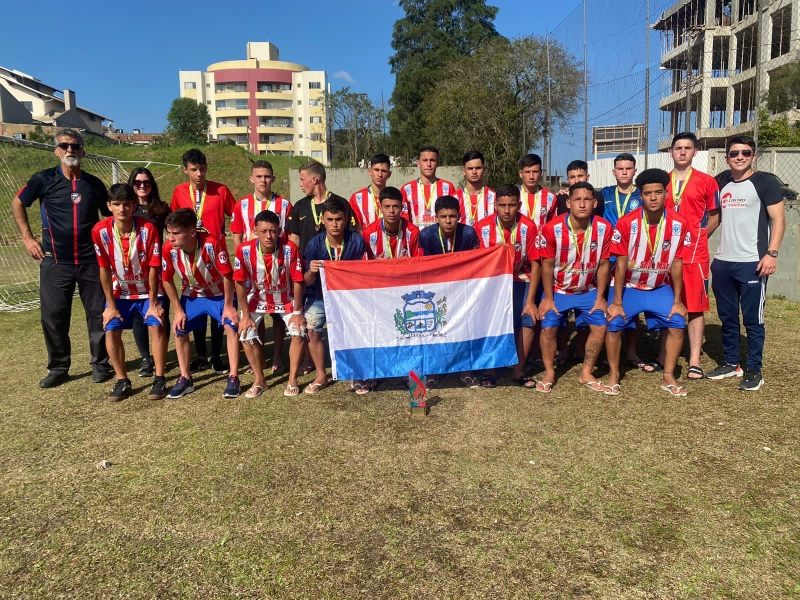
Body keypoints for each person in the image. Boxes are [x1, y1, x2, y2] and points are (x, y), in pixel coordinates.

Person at [12, 128, 112, 388]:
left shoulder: (94, 184)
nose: (70, 150)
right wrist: (28, 238)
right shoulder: (43, 179)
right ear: (57, 150)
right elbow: (18, 202)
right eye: (65, 146)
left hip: (92, 261)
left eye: (75, 146)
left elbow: (109, 215)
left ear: (83, 152)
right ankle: (58, 367)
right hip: (56, 261)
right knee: (54, 316)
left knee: (97, 314)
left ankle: (100, 364)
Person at [707, 136, 785, 391]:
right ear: (727, 156)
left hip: (752, 262)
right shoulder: (721, 182)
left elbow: (779, 220)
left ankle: (754, 369)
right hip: (723, 263)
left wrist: (771, 254)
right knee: (727, 317)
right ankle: (731, 363)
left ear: (754, 156)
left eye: (745, 152)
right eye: (734, 153)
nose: (739, 156)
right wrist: (693, 242)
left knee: (753, 320)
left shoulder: (765, 182)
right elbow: (714, 220)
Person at [605, 169, 690, 397]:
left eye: (658, 192)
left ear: (666, 193)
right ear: (640, 196)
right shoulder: (626, 223)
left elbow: (677, 265)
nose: (653, 197)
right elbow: (620, 266)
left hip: (659, 288)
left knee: (678, 321)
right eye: (647, 193)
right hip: (630, 287)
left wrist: (678, 301)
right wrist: (617, 302)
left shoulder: (679, 223)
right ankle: (614, 374)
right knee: (613, 322)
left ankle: (668, 375)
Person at [648, 132, 720, 379]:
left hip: (694, 255)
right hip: (665, 254)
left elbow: (714, 216)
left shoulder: (707, 181)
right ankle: (662, 356)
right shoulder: (661, 182)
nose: (682, 152)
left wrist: (699, 238)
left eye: (687, 148)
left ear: (694, 152)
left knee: (695, 307)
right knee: (666, 304)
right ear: (670, 152)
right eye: (677, 148)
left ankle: (694, 360)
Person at [91, 184, 167, 402]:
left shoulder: (148, 228)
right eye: (116, 204)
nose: (122, 209)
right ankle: (122, 380)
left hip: (147, 290)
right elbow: (104, 269)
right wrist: (110, 305)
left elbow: (154, 267)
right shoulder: (100, 231)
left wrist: (153, 302)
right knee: (111, 330)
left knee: (156, 325)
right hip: (119, 291)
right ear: (109, 206)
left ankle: (159, 378)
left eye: (126, 204)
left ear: (134, 206)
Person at [536, 182, 612, 393]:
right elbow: (547, 265)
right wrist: (548, 299)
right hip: (559, 290)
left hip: (588, 291)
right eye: (577, 200)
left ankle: (586, 372)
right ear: (568, 203)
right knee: (549, 327)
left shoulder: (604, 228)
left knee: (600, 327)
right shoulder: (552, 228)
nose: (582, 204)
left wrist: (600, 297)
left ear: (595, 203)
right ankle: (550, 372)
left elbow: (605, 264)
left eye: (587, 199)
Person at [161, 209, 241, 399]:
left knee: (231, 326)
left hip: (219, 294)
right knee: (179, 328)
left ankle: (234, 376)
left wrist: (229, 306)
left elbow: (228, 276)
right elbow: (166, 280)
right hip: (193, 294)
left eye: (176, 233)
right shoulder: (168, 249)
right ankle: (185, 377)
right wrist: (178, 310)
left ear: (191, 232)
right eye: (169, 232)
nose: (171, 238)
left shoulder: (211, 244)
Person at [170, 149, 236, 376]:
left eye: (202, 169)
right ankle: (200, 356)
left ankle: (217, 357)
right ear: (185, 170)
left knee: (218, 305)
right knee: (196, 303)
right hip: (191, 255)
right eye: (194, 169)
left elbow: (235, 215)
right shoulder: (179, 192)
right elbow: (175, 220)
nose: (199, 174)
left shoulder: (220, 190)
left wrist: (231, 235)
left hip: (214, 254)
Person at [234, 210, 307, 398]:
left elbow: (298, 280)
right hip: (258, 299)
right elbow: (239, 282)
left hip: (285, 298)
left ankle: (292, 379)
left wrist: (298, 311)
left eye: (273, 231)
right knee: (245, 332)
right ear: (255, 230)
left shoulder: (290, 248)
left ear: (280, 230)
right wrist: (245, 315)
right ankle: (260, 380)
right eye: (264, 231)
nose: (269, 236)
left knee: (299, 331)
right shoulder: (243, 250)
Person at [231, 160, 292, 373]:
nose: (263, 180)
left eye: (267, 176)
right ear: (252, 179)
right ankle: (259, 358)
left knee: (277, 313)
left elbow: (291, 235)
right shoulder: (241, 205)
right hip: (252, 266)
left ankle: (277, 357)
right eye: (259, 176)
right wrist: (245, 264)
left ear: (273, 178)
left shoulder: (284, 205)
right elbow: (237, 235)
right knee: (255, 309)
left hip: (278, 264)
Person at [476, 185, 540, 389]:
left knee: (528, 319)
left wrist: (530, 301)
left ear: (519, 205)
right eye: (502, 205)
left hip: (520, 277)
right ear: (495, 205)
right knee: (490, 321)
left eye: (511, 205)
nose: (506, 210)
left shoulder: (528, 226)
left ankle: (518, 369)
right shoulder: (482, 227)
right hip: (492, 282)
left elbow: (536, 263)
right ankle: (490, 369)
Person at [302, 197, 367, 394]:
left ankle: (356, 373)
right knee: (312, 329)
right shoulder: (314, 245)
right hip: (320, 296)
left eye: (338, 219)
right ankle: (321, 374)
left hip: (349, 296)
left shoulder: (356, 241)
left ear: (345, 219)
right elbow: (306, 281)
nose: (334, 224)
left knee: (357, 330)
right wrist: (311, 271)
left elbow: (363, 275)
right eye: (330, 219)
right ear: (322, 220)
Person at [599, 153, 646, 370]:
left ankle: (631, 351)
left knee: (631, 304)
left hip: (633, 257)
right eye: (620, 168)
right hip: (608, 257)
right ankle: (606, 349)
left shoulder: (642, 194)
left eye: (628, 168)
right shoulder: (604, 194)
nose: (624, 172)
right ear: (614, 171)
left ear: (634, 171)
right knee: (608, 302)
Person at [128, 167, 171, 378]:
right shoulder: (127, 208)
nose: (142, 186)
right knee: (139, 315)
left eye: (146, 182)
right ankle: (146, 358)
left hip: (159, 268)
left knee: (162, 312)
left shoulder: (161, 208)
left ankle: (161, 354)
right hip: (134, 269)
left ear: (152, 185)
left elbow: (172, 232)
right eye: (137, 182)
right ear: (131, 185)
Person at [285, 161, 359, 256]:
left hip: (334, 264)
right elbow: (294, 240)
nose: (300, 184)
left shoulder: (341, 203)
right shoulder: (300, 205)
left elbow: (352, 235)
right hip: (308, 266)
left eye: (302, 180)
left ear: (314, 180)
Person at [401, 146, 456, 229]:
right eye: (425, 160)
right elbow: (404, 219)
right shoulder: (406, 189)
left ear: (437, 163)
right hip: (417, 239)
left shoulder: (448, 187)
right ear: (418, 163)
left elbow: (454, 214)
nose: (429, 164)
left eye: (432, 160)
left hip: (440, 238)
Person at [362, 186, 420, 260]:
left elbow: (419, 265)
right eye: (387, 206)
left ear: (402, 208)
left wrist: (409, 263)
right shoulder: (368, 233)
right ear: (381, 209)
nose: (391, 211)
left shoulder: (413, 232)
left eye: (395, 206)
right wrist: (375, 264)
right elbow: (364, 266)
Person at [348, 154, 392, 230]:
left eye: (384, 171)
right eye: (376, 170)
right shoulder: (356, 198)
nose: (380, 174)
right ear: (370, 171)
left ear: (389, 174)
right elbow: (357, 229)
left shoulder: (395, 197)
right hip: (365, 241)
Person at [455, 150, 495, 227]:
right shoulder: (455, 198)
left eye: (478, 168)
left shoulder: (494, 197)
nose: (474, 172)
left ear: (484, 170)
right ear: (464, 171)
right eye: (470, 168)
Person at [518, 153, 557, 231]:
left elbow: (553, 226)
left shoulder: (551, 197)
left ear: (541, 172)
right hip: (519, 242)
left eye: (535, 172)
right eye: (527, 172)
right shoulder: (512, 195)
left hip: (542, 242)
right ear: (521, 174)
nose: (531, 176)